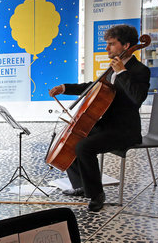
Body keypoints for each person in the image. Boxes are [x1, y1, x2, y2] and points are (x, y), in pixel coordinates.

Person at [49, 24, 150, 212]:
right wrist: (65, 88)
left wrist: (122, 72)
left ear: (126, 45)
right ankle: (81, 185)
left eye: (111, 44)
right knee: (72, 138)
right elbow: (93, 86)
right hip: (107, 124)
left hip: (125, 130)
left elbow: (138, 98)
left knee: (83, 147)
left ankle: (96, 194)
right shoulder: (113, 67)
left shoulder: (139, 70)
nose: (107, 48)